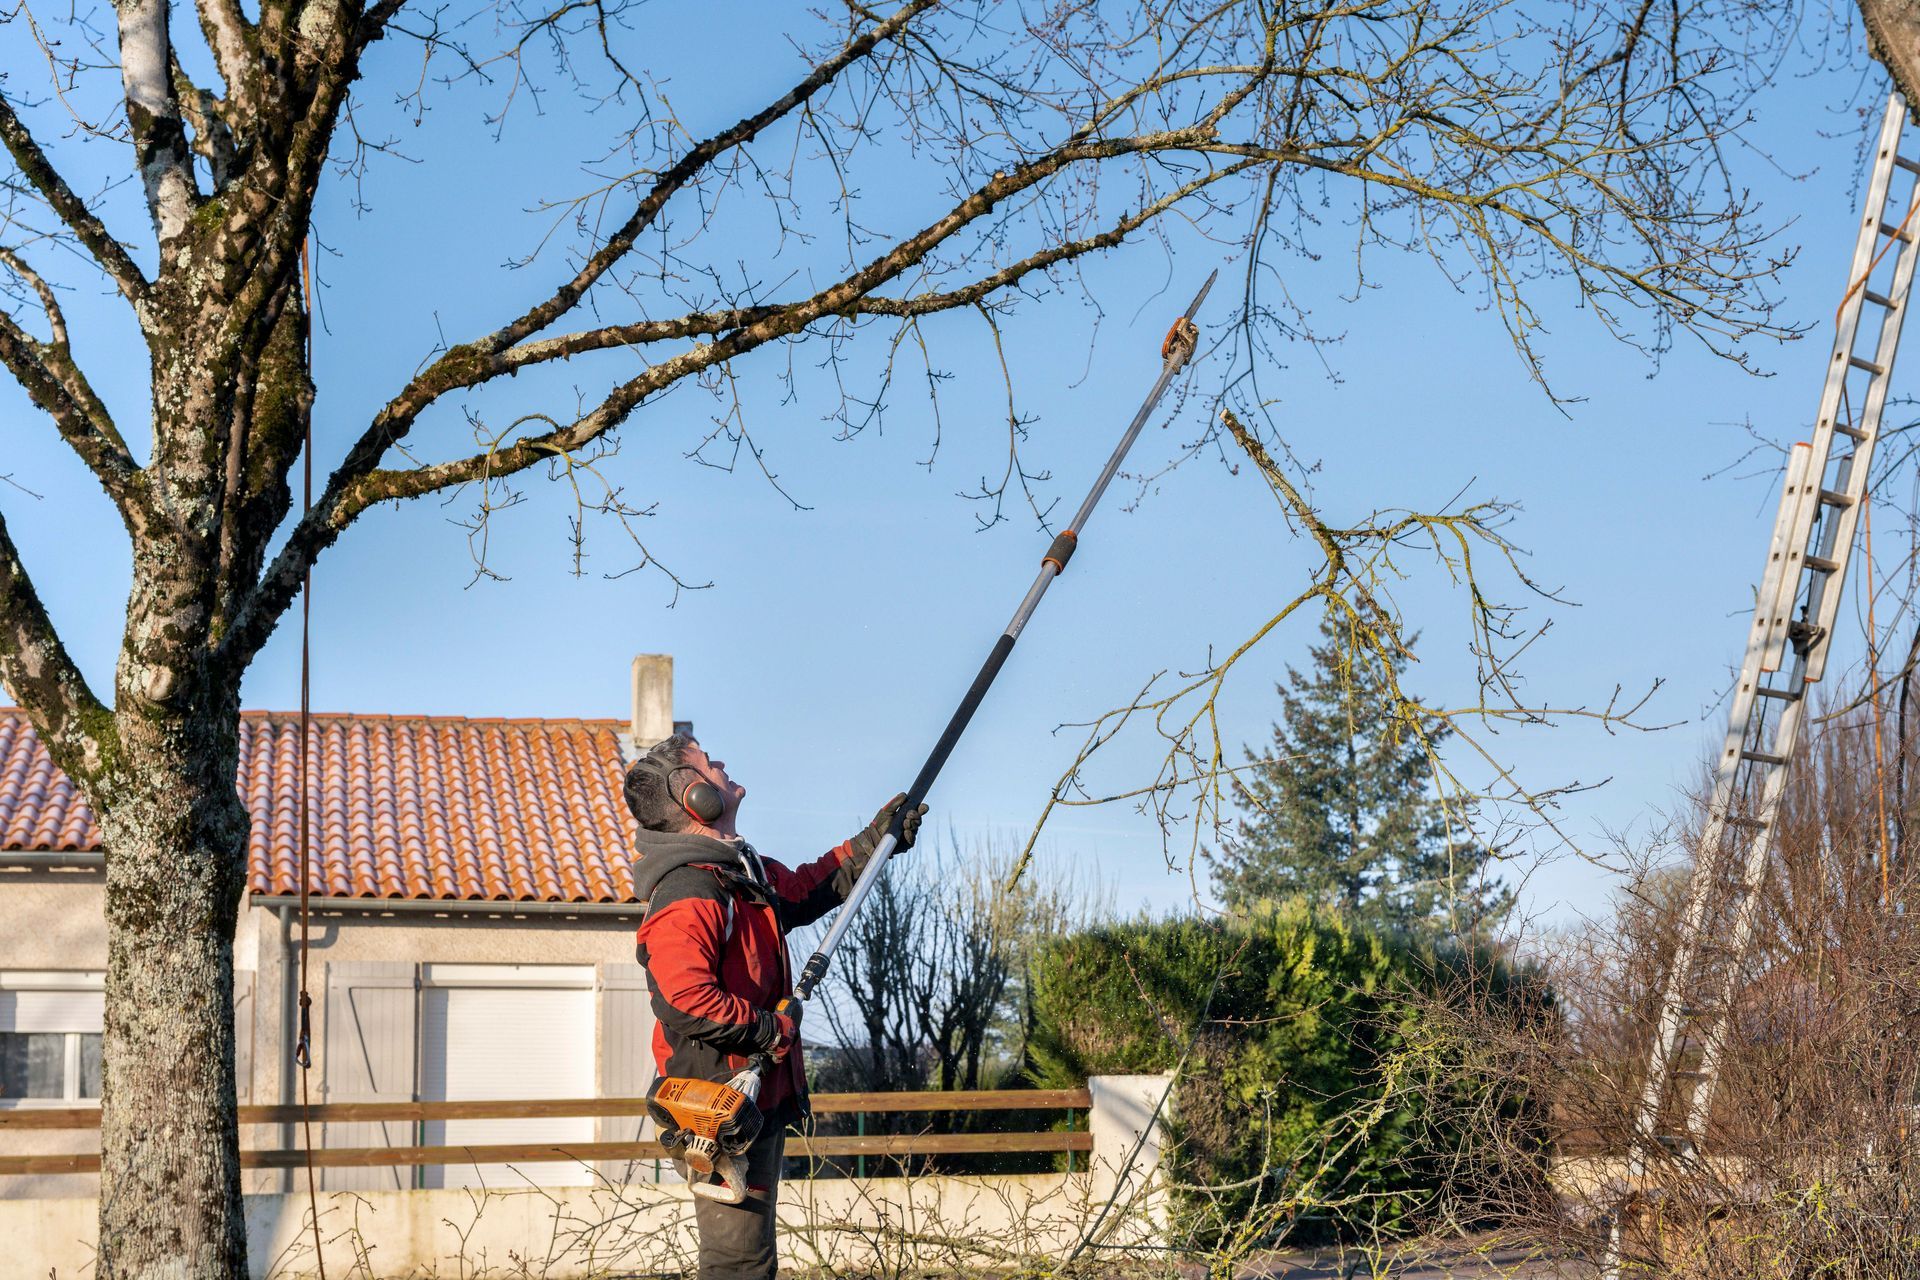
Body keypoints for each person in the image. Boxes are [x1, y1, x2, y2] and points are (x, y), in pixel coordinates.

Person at [625, 733, 925, 1280]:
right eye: (706, 764)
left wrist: (876, 839)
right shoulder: (689, 891)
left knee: (752, 1259)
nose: (720, 763)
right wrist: (770, 1030)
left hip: (752, 1098)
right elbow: (683, 999)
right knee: (738, 1264)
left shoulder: (738, 874)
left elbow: (808, 889)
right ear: (696, 799)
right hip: (715, 1111)